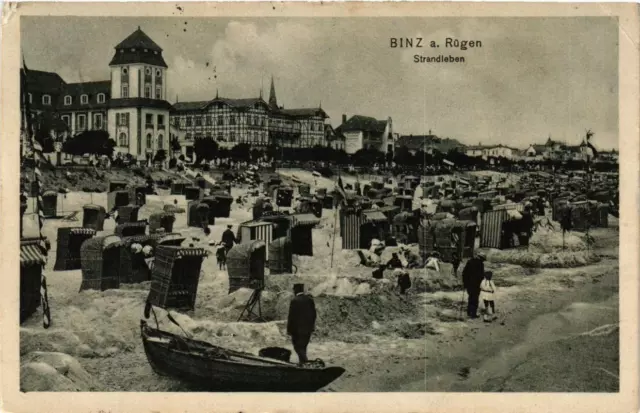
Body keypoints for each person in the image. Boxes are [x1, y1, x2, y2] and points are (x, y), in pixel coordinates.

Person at [286, 284, 317, 365]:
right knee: (303, 347)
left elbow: (291, 317)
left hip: (297, 331)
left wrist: (289, 330)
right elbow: (314, 315)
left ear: (295, 290)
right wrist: (311, 326)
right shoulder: (309, 300)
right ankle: (302, 363)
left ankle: (306, 363)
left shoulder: (294, 301)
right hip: (308, 329)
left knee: (297, 347)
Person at [461, 252, 486, 319]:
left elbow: (464, 273)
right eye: (483, 259)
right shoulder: (480, 264)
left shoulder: (470, 262)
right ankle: (473, 314)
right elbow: (481, 276)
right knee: (475, 299)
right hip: (476, 285)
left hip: (469, 284)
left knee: (470, 297)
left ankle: (469, 312)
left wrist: (465, 283)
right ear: (481, 258)